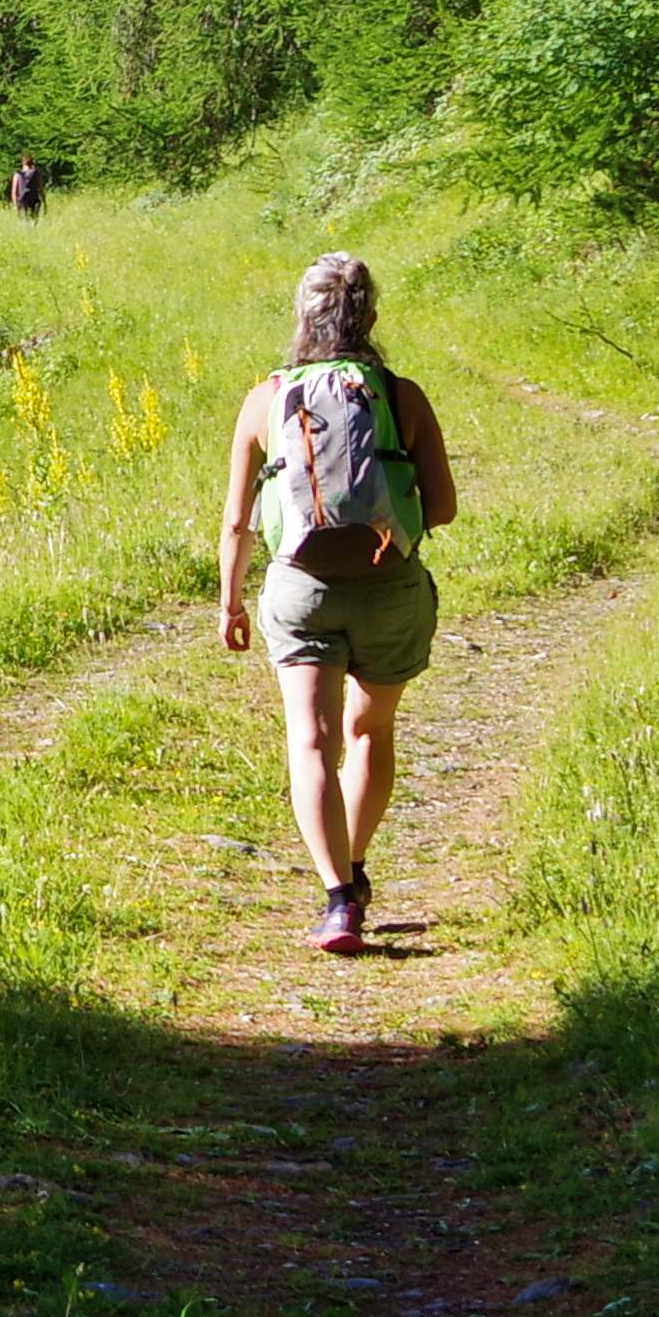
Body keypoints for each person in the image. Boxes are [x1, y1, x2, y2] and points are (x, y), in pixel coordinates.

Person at [213, 250, 457, 952]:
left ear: (302, 316)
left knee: (310, 741)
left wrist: (230, 604)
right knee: (368, 733)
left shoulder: (266, 398)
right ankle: (355, 867)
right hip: (390, 589)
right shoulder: (401, 394)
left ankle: (337, 901)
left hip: (300, 590)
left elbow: (236, 520)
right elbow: (441, 508)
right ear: (370, 317)